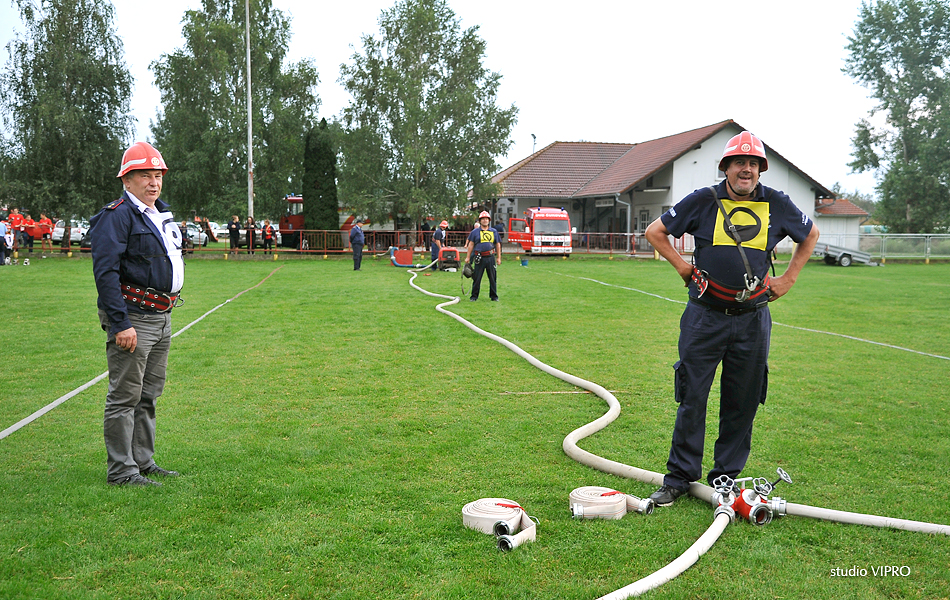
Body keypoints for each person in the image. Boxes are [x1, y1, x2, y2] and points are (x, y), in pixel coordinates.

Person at [643, 131, 819, 506]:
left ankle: (725, 477)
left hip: (753, 320)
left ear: (761, 171)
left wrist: (788, 279)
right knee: (693, 395)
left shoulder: (777, 203)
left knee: (743, 399)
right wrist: (683, 268)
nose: (747, 169)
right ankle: (679, 479)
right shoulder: (704, 200)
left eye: (753, 164)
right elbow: (655, 232)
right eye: (740, 162)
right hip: (704, 317)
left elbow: (811, 234)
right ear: (726, 167)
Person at [89, 141, 184, 487]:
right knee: (125, 395)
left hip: (162, 317)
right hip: (134, 318)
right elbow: (106, 274)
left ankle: (142, 461)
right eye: (144, 175)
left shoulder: (160, 213)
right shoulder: (116, 216)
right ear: (126, 180)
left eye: (157, 174)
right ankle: (121, 470)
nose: (153, 182)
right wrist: (120, 323)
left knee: (149, 394)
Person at [464, 210, 502, 301]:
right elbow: (471, 245)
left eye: (486, 219)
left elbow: (497, 244)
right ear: (480, 221)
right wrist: (468, 257)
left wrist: (499, 257)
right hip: (479, 258)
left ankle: (494, 296)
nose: (485, 220)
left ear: (489, 220)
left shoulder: (494, 231)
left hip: (490, 257)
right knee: (477, 278)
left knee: (493, 278)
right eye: (483, 219)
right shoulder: (475, 232)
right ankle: (474, 296)